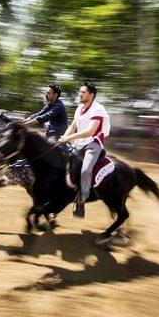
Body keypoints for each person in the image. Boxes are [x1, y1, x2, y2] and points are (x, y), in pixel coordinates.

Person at [58, 82, 110, 218]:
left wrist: (69, 138)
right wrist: (64, 136)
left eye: (83, 92)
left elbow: (90, 131)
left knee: (86, 170)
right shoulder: (79, 108)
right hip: (79, 144)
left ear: (91, 95)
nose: (80, 94)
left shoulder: (98, 109)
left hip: (93, 144)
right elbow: (74, 125)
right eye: (79, 92)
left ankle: (81, 201)